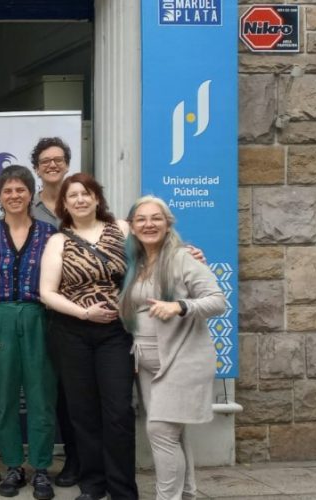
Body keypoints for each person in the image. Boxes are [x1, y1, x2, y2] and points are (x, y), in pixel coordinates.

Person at [118, 196, 225, 500]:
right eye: (141, 219)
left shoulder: (183, 258)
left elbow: (217, 301)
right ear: (132, 226)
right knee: (174, 435)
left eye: (156, 218)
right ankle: (187, 494)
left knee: (161, 433)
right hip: (149, 365)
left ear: (168, 224)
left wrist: (179, 306)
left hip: (182, 359)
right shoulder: (135, 263)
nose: (149, 224)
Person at [38, 173, 136, 500]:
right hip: (72, 333)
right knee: (83, 413)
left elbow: (155, 254)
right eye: (73, 196)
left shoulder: (121, 230)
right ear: (64, 204)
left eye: (86, 193)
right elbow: (47, 292)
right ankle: (93, 485)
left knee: (119, 411)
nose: (80, 200)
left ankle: (123, 489)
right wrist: (84, 313)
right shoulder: (59, 241)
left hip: (115, 334)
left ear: (97, 198)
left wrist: (187, 252)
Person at [0, 166, 58, 499]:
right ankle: (12, 465)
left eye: (20, 190)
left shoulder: (50, 234)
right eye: (7, 191)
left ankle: (40, 469)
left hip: (40, 317)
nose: (14, 196)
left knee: (41, 396)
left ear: (31, 193)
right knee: (4, 396)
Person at [27, 136, 79, 487]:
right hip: (41, 309)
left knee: (77, 389)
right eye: (45, 160)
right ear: (36, 167)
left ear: (67, 163)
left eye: (58, 159)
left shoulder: (80, 203)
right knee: (51, 389)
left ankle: (79, 459)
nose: (52, 165)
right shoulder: (28, 210)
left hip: (77, 310)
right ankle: (59, 458)